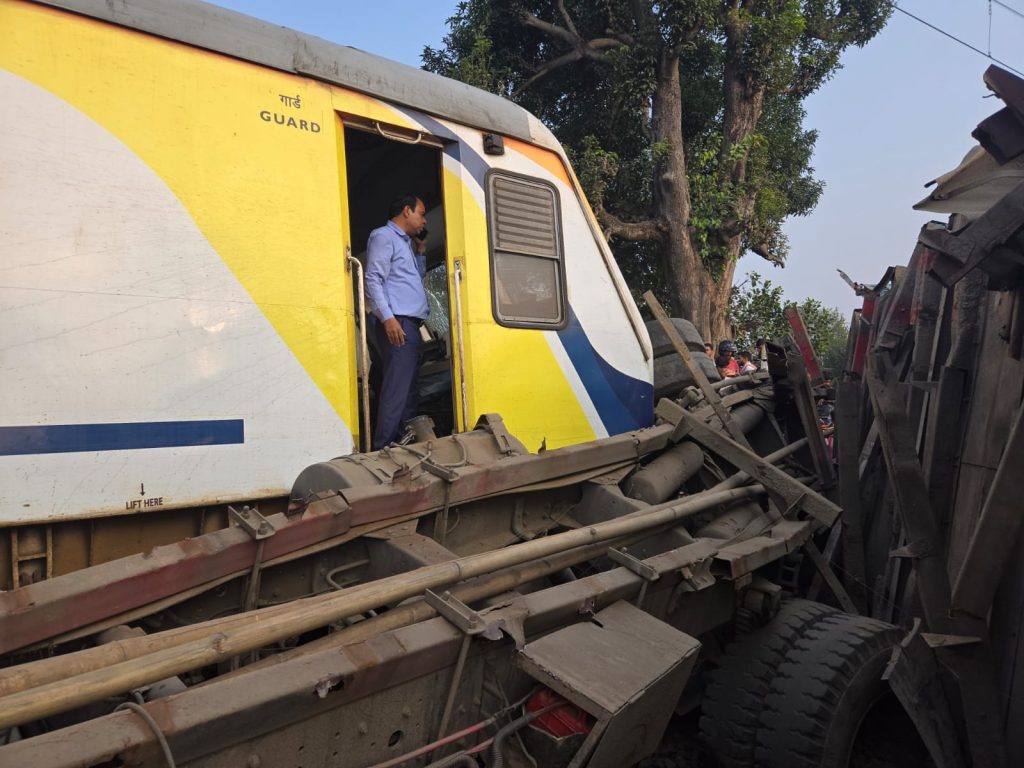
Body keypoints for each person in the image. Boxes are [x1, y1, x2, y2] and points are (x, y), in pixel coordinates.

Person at [364, 194, 430, 450]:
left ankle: (404, 446)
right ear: (406, 211)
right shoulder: (384, 236)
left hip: (409, 324)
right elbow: (372, 280)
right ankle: (383, 449)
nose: (424, 220)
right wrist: (388, 319)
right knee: (396, 391)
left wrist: (422, 251)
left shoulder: (405, 244)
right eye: (421, 214)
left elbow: (412, 279)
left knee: (408, 392)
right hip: (398, 322)